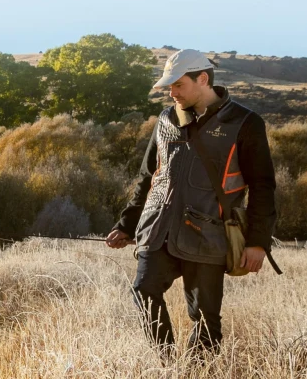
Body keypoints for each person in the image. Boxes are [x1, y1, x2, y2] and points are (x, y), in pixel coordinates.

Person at [105, 48, 276, 354]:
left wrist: (258, 242)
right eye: (168, 87)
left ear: (202, 79)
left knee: (206, 321)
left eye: (178, 85)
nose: (171, 93)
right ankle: (168, 365)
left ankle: (198, 371)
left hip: (209, 235)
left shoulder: (245, 123)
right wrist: (127, 225)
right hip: (158, 231)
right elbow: (148, 177)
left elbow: (263, 186)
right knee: (144, 291)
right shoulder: (166, 119)